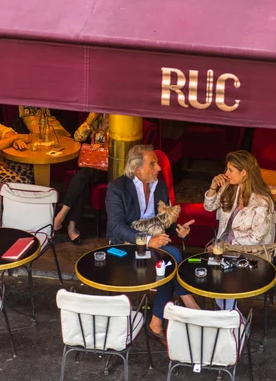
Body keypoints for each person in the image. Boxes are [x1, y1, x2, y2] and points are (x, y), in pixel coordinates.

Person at [105, 144, 197, 347]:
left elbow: (164, 222)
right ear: (137, 169)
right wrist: (148, 241)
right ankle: (188, 304)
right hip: (124, 245)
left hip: (154, 244)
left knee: (169, 260)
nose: (158, 169)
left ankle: (157, 322)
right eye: (153, 164)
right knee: (171, 257)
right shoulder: (117, 188)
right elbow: (116, 226)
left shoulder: (160, 186)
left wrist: (178, 231)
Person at [204, 150, 275, 309]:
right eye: (226, 169)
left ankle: (230, 319)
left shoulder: (262, 201)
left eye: (230, 170)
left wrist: (226, 247)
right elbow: (209, 206)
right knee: (211, 277)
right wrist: (213, 186)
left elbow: (255, 238)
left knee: (223, 279)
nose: (226, 173)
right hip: (223, 250)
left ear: (244, 172)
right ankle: (232, 318)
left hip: (249, 254)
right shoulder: (229, 189)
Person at [53, 113, 109, 244]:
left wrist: (104, 147)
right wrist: (91, 119)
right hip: (90, 164)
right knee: (83, 181)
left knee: (82, 177)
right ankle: (71, 227)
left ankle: (62, 215)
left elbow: (121, 148)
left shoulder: (119, 120)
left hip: (108, 167)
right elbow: (77, 137)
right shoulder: (97, 117)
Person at [0, 112, 33, 187]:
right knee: (24, 183)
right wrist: (16, 137)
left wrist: (14, 140)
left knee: (31, 170)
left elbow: (4, 130)